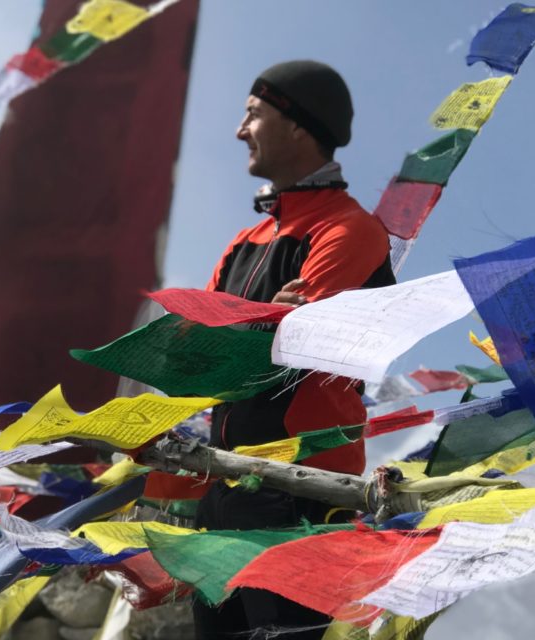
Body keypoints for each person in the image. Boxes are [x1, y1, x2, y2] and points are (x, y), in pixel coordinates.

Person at [193, 60, 395, 639]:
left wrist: (245, 335)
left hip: (301, 497)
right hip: (223, 489)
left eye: (253, 114)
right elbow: (195, 356)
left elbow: (292, 350)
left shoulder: (349, 229)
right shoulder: (243, 243)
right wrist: (262, 326)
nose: (239, 129)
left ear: (298, 126)